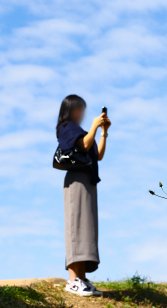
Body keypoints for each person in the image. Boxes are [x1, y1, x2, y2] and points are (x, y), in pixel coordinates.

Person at [55, 94, 111, 297]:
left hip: (88, 181)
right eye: (79, 108)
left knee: (86, 228)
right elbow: (85, 146)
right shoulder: (66, 126)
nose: (82, 113)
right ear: (70, 109)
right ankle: (72, 281)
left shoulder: (81, 131)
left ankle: (81, 279)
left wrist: (104, 132)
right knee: (76, 227)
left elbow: (98, 154)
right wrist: (95, 126)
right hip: (76, 179)